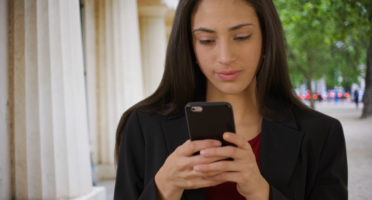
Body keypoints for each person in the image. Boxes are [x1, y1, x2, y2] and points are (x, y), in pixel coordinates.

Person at [114, 0, 348, 199]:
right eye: (206, 40)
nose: (225, 57)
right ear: (189, 45)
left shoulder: (322, 134)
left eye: (241, 37)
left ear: (266, 38)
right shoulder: (142, 126)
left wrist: (261, 193)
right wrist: (163, 188)